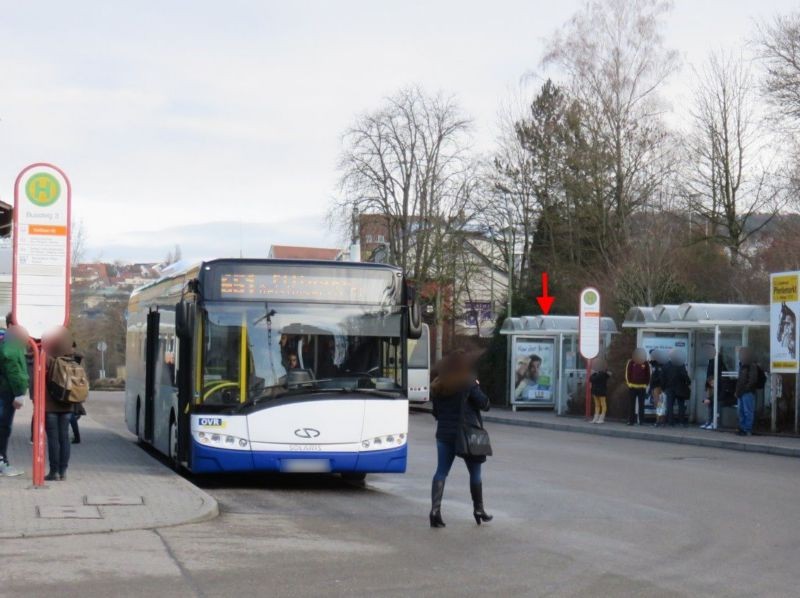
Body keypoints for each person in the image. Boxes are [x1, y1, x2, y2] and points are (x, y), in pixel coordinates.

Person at [429, 349, 492, 528]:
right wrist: (477, 386)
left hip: (444, 434)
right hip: (466, 434)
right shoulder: (468, 382)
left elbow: (436, 413)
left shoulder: (438, 385)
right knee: (475, 473)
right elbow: (485, 404)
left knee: (441, 471)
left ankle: (435, 511)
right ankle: (478, 509)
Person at [43, 328, 78, 481]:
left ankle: (53, 471)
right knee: (64, 437)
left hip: (50, 404)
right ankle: (63, 471)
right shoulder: (72, 358)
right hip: (67, 403)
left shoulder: (47, 358)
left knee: (53, 438)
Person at [0, 325, 30, 477]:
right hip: (5, 392)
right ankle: (2, 462)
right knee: (3, 427)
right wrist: (19, 392)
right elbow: (14, 369)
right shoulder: (11, 344)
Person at [664, 349, 691, 427]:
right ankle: (681, 421)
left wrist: (664, 387)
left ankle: (670, 422)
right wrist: (688, 382)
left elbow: (662, 377)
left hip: (669, 388)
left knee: (669, 405)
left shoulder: (666, 365)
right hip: (680, 388)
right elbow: (684, 375)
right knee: (681, 405)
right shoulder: (680, 364)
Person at [735, 347, 759, 436]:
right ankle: (742, 427)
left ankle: (747, 429)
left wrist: (745, 389)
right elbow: (739, 380)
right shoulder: (742, 365)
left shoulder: (751, 365)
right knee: (740, 411)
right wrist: (737, 391)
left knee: (748, 411)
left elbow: (753, 379)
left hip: (748, 392)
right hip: (741, 392)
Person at [702, 344, 726, 430]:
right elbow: (709, 375)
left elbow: (718, 374)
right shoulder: (711, 360)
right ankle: (709, 421)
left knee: (716, 404)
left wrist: (714, 383)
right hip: (710, 385)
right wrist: (707, 385)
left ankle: (715, 422)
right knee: (710, 404)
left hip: (716, 385)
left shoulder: (718, 360)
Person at [625, 348, 650, 425]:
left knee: (641, 405)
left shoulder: (645, 363)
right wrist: (629, 384)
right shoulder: (631, 362)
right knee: (631, 405)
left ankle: (641, 421)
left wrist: (646, 384)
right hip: (632, 387)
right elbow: (627, 373)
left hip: (642, 387)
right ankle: (631, 421)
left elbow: (648, 374)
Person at [649, 350, 668, 427]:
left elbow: (660, 378)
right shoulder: (654, 364)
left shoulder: (660, 365)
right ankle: (660, 421)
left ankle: (659, 421)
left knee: (659, 404)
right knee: (658, 404)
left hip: (658, 387)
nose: (651, 357)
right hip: (654, 387)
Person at [589, 358, 611, 424]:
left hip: (601, 391)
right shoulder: (599, 373)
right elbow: (591, 379)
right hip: (596, 391)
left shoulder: (602, 373)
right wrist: (593, 374)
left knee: (602, 404)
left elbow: (593, 379)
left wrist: (592, 374)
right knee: (597, 405)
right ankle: (596, 418)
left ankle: (601, 418)